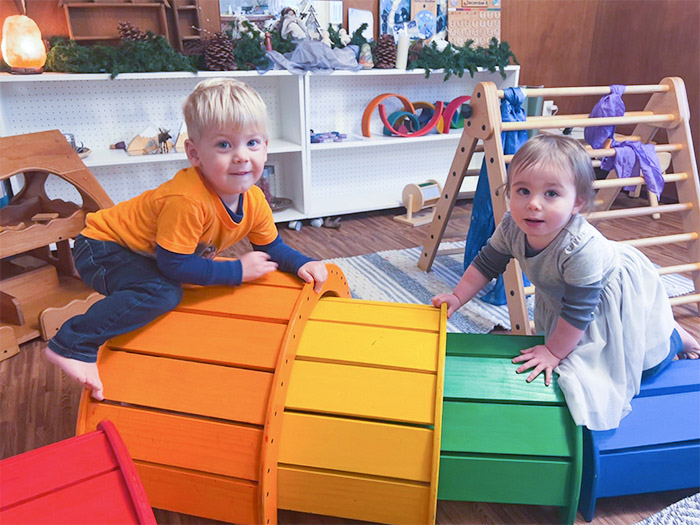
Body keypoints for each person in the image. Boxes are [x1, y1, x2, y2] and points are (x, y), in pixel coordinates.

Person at [44, 78, 328, 401]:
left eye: (252, 143)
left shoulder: (255, 200)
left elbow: (271, 247)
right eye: (224, 145)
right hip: (101, 246)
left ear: (266, 146)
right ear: (194, 153)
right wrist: (236, 272)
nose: (241, 157)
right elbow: (174, 263)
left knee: (185, 286)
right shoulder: (188, 200)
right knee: (163, 291)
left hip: (145, 253)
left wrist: (303, 263)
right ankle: (72, 343)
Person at [432, 134, 699, 430]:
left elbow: (578, 312)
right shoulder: (511, 225)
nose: (533, 204)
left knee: (639, 368)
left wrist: (554, 352)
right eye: (522, 190)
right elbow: (486, 263)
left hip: (605, 297)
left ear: (578, 203)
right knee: (569, 352)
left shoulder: (580, 249)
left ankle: (676, 336)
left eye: (551, 194)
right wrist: (457, 297)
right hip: (565, 297)